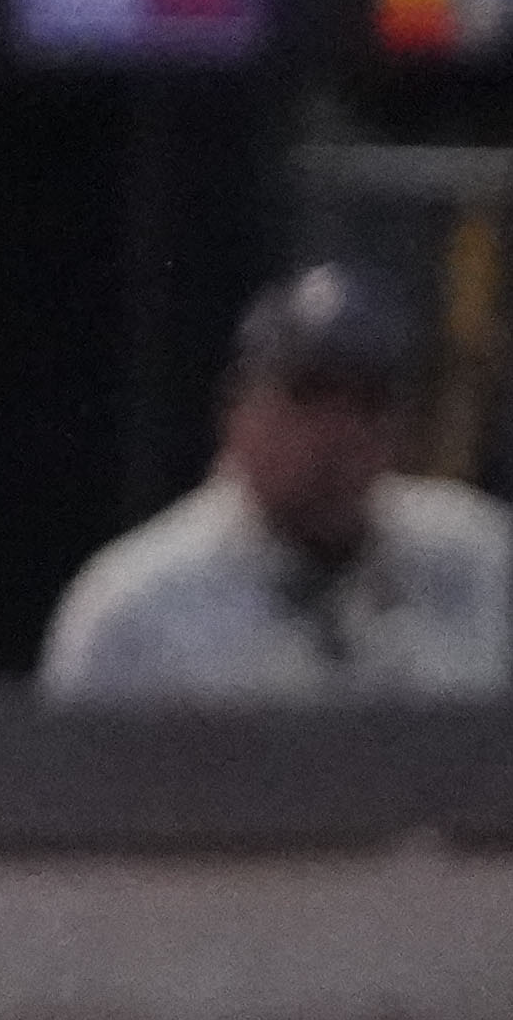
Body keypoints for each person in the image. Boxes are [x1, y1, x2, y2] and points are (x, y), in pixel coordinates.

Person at [41, 266, 512, 703]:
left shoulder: (481, 557)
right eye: (306, 395)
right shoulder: (136, 603)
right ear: (237, 413)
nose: (338, 432)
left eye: (370, 402)